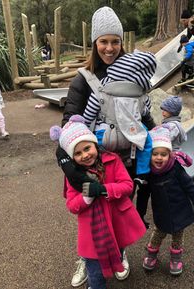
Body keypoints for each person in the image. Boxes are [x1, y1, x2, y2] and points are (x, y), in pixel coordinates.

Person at [55, 6, 155, 287]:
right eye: (104, 41)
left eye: (115, 41)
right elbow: (68, 127)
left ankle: (119, 251)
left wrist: (160, 137)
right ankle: (88, 258)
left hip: (127, 157)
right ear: (94, 43)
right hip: (92, 160)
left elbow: (143, 114)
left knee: (121, 209)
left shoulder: (133, 76)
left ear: (122, 43)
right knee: (89, 213)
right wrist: (74, 173)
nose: (110, 48)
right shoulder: (83, 80)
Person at [50, 115, 146, 289]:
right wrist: (86, 196)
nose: (85, 155)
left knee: (119, 245)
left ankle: (118, 260)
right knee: (94, 268)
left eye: (87, 148)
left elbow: (127, 186)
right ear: (72, 157)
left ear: (94, 144)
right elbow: (72, 205)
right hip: (93, 229)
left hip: (117, 218)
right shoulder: (74, 178)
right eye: (77, 153)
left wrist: (104, 190)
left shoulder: (113, 160)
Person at [142, 125, 194, 275]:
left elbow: (190, 186)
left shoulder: (176, 168)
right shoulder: (149, 173)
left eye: (163, 154)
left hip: (180, 210)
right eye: (155, 154)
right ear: (149, 155)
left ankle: (176, 258)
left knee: (178, 235)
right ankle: (151, 254)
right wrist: (140, 213)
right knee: (158, 233)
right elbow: (143, 195)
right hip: (161, 212)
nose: (159, 158)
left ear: (170, 155)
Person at [82, 51, 156, 177]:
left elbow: (88, 116)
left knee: (99, 155)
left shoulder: (101, 92)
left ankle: (97, 173)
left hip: (104, 136)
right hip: (132, 136)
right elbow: (145, 111)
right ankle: (143, 171)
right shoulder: (142, 96)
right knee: (147, 142)